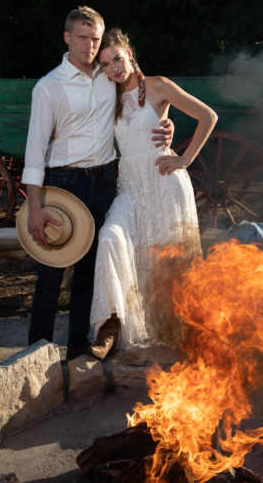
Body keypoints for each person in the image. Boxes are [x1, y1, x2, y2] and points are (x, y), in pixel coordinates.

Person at [21, 6, 173, 359]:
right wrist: (34, 207)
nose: (89, 45)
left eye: (94, 38)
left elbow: (144, 107)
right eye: (82, 37)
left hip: (106, 181)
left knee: (88, 273)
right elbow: (34, 150)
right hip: (63, 183)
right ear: (67, 38)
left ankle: (76, 352)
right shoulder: (49, 87)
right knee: (50, 275)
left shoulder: (109, 77)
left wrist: (168, 124)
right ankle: (34, 354)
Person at [89, 28, 218, 357]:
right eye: (105, 64)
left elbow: (208, 116)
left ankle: (187, 339)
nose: (114, 68)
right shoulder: (108, 94)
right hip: (130, 186)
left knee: (170, 266)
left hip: (164, 185)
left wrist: (185, 158)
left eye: (117, 58)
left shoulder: (158, 86)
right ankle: (112, 323)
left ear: (129, 54)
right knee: (109, 238)